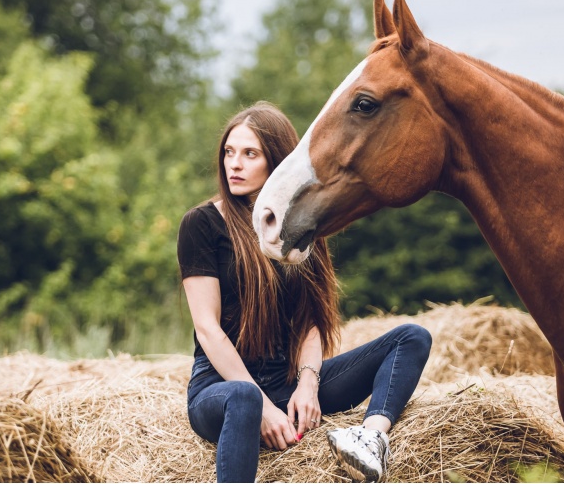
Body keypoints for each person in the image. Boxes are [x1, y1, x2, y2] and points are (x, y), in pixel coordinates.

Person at [177, 101, 432, 483]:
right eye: (229, 152)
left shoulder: (301, 226)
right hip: (223, 391)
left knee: (412, 337)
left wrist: (308, 386)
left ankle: (370, 438)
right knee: (244, 398)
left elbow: (312, 318)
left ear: (277, 161)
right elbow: (207, 329)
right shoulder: (202, 224)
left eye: (250, 154)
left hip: (288, 384)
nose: (235, 164)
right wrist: (264, 407)